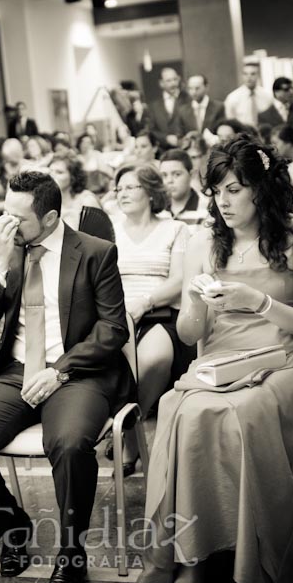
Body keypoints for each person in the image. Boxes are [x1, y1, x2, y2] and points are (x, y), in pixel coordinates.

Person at [131, 138, 293, 583]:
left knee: (246, 413)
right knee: (179, 411)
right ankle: (190, 561)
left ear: (261, 190)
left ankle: (260, 562)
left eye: (235, 190)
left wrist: (259, 302)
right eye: (217, 191)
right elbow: (189, 334)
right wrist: (196, 306)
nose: (222, 201)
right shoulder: (203, 240)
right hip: (223, 359)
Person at [0, 171, 134, 583]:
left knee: (68, 444)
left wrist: (60, 370)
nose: (7, 226)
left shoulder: (95, 253)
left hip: (76, 372)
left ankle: (72, 554)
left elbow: (112, 330)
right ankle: (12, 531)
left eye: (18, 218)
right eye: (4, 215)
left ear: (49, 218)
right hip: (15, 371)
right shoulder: (6, 249)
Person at [111, 164, 192, 476]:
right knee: (119, 365)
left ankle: (128, 426)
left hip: (160, 311)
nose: (123, 193)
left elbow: (180, 279)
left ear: (150, 191)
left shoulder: (174, 229)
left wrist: (144, 302)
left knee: (153, 359)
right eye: (119, 189)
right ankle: (131, 441)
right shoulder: (110, 229)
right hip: (117, 314)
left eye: (130, 187)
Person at [48, 154, 102, 229]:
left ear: (73, 177)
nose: (52, 176)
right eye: (50, 171)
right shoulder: (47, 201)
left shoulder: (87, 201)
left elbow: (100, 234)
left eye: (59, 172)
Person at [160, 149, 208, 226]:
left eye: (177, 174)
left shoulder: (206, 209)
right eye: (164, 175)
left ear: (192, 175)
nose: (169, 180)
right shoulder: (157, 210)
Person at [148, 67, 190, 149]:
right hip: (163, 151)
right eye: (169, 81)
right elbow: (152, 129)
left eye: (175, 79)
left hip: (185, 149)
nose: (173, 83)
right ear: (161, 83)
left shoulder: (188, 100)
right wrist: (166, 138)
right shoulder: (154, 106)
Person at [224, 61, 272, 128]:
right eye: (245, 74)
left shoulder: (267, 96)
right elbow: (230, 121)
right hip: (243, 135)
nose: (249, 77)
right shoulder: (233, 97)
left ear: (258, 75)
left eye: (253, 74)